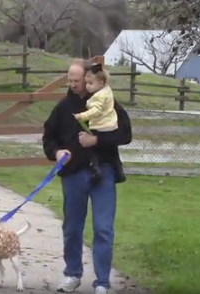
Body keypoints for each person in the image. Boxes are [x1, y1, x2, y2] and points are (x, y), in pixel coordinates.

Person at [41, 59, 132, 294]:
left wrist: (97, 140)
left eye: (77, 81)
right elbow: (48, 136)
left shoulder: (108, 103)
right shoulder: (63, 108)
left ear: (90, 79)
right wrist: (57, 152)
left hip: (103, 172)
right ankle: (72, 274)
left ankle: (102, 282)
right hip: (73, 174)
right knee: (72, 227)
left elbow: (125, 133)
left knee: (103, 228)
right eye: (69, 81)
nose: (73, 85)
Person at [72, 62, 121, 183]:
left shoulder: (97, 97)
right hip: (111, 123)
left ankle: (96, 170)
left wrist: (81, 116)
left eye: (90, 83)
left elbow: (95, 111)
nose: (88, 86)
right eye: (86, 83)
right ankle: (117, 169)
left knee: (91, 150)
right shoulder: (107, 91)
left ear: (101, 83)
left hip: (102, 126)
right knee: (106, 151)